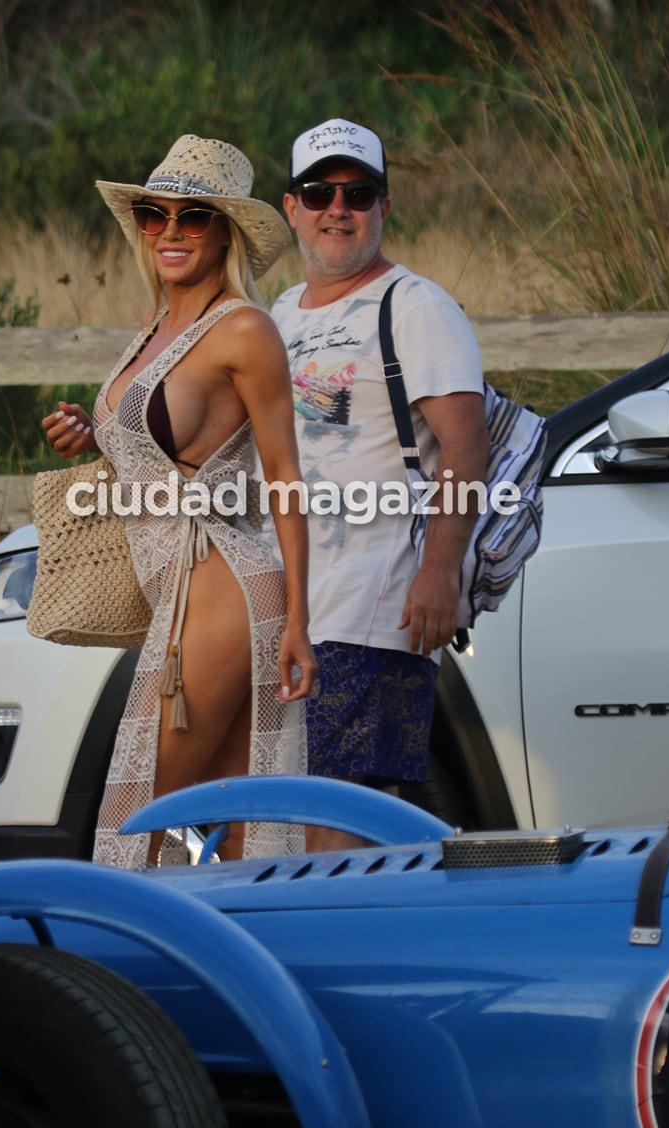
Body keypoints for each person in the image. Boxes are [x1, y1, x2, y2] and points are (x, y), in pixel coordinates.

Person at [42, 135, 316, 869]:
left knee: (138, 811)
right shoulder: (155, 329)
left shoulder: (245, 330)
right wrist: (90, 433)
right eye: (153, 214)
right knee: (232, 836)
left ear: (224, 231)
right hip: (175, 593)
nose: (169, 230)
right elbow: (160, 451)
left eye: (193, 216)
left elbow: (285, 475)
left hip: (222, 584)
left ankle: (106, 974)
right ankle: (229, 974)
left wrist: (300, 620)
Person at [270, 119, 491, 851]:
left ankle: (350, 959)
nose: (339, 208)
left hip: (376, 605)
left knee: (347, 818)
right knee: (302, 815)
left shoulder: (416, 305)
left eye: (358, 193)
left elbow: (465, 442)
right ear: (292, 207)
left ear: (384, 206)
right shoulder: (278, 315)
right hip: (298, 609)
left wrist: (439, 570)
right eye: (320, 192)